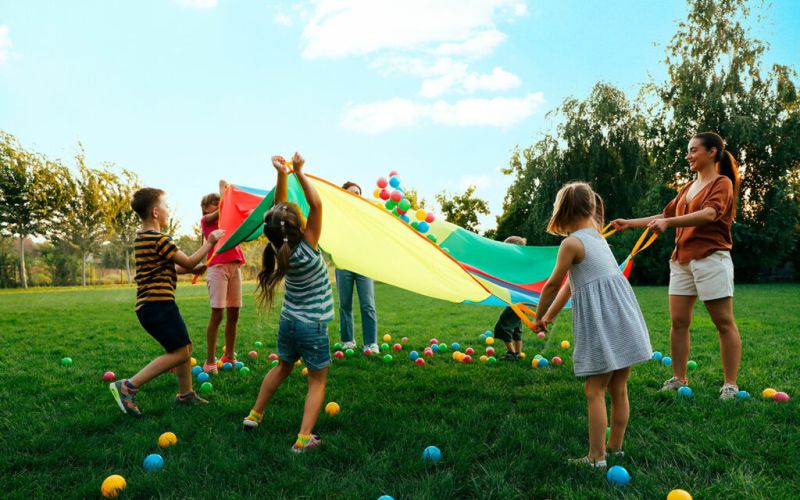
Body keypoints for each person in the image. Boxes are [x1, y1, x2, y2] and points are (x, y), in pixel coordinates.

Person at [611, 132, 742, 400]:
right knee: (678, 322)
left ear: (713, 152)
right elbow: (666, 216)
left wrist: (669, 224)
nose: (688, 155)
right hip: (681, 261)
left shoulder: (722, 183)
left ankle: (730, 384)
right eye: (688, 151)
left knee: (723, 322)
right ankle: (678, 378)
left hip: (711, 258)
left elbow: (709, 214)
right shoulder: (686, 188)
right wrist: (630, 222)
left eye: (694, 150)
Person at [535, 182, 652, 468]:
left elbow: (552, 285)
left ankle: (596, 457)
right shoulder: (598, 240)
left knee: (594, 390)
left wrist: (538, 315)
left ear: (562, 211)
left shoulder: (571, 243)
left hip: (604, 323)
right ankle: (615, 448)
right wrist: (551, 315)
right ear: (590, 208)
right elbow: (571, 284)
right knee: (619, 387)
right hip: (624, 318)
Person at [242, 152, 333, 453]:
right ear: (298, 227)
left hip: (288, 323)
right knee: (317, 381)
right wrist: (299, 172)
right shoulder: (308, 247)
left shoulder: (278, 248)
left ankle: (254, 415)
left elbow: (276, 213)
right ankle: (304, 439)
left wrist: (283, 174)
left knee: (282, 367)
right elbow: (317, 204)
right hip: (312, 327)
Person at [109, 187, 224, 416]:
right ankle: (128, 386)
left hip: (151, 306)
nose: (168, 211)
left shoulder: (143, 238)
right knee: (181, 353)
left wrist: (195, 267)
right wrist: (210, 241)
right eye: (166, 206)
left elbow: (174, 267)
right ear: (154, 212)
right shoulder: (159, 239)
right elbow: (189, 261)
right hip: (158, 304)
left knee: (185, 347)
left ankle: (185, 395)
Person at [199, 181, 245, 374]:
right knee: (217, 314)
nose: (218, 205)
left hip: (235, 266)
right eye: (214, 204)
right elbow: (222, 209)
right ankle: (210, 361)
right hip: (217, 268)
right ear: (205, 209)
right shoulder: (206, 221)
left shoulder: (228, 218)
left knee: (234, 314)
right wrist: (224, 198)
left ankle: (229, 356)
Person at [336, 181, 379, 353]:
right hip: (344, 264)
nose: (356, 195)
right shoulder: (338, 215)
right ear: (344, 193)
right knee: (345, 304)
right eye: (352, 192)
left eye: (358, 193)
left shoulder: (365, 214)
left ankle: (371, 343)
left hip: (363, 265)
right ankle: (348, 340)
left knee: (367, 304)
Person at [494, 236, 528, 361]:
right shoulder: (520, 264)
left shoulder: (516, 265)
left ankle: (512, 353)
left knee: (502, 326)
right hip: (521, 302)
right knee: (516, 328)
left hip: (517, 302)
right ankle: (518, 353)